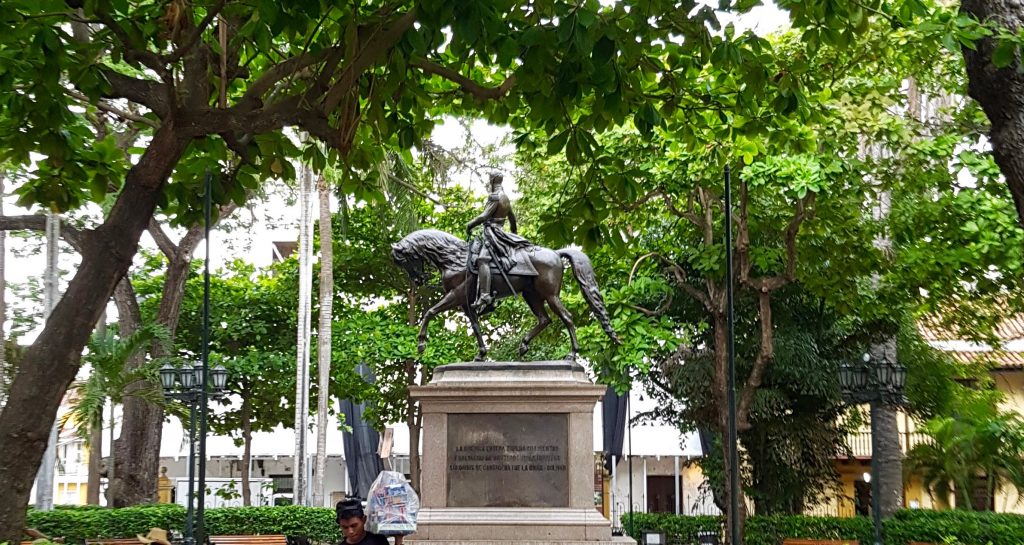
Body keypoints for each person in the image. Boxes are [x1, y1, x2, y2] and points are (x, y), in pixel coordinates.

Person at [465, 172, 533, 312]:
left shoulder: (494, 196)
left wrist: (470, 225)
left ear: (491, 181)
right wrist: (513, 234)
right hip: (501, 232)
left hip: (493, 233)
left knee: (482, 260)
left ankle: (485, 296)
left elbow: (484, 216)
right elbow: (512, 219)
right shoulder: (505, 197)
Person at [336, 498, 404, 545]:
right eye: (345, 527)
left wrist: (398, 540)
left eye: (354, 525)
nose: (350, 531)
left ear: (364, 520)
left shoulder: (379, 541)